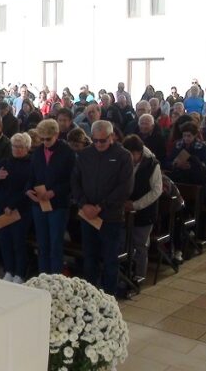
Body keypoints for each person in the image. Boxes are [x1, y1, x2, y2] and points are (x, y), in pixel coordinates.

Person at [72, 120, 134, 295]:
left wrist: (100, 206)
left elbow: (125, 187)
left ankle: (109, 298)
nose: (99, 144)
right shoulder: (85, 154)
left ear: (112, 136)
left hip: (111, 216)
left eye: (103, 140)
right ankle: (90, 295)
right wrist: (84, 204)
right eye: (96, 140)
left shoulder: (123, 156)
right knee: (89, 257)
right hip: (87, 215)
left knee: (109, 260)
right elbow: (75, 181)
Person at [26, 119, 75, 274]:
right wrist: (28, 190)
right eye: (42, 139)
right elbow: (31, 176)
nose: (45, 142)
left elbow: (72, 180)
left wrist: (54, 192)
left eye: (48, 139)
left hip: (58, 204)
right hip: (39, 203)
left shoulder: (67, 152)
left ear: (56, 134)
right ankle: (43, 277)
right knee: (42, 244)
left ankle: (55, 278)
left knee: (55, 244)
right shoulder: (38, 152)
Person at [0, 132, 32, 283]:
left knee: (18, 242)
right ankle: (8, 270)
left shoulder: (31, 165)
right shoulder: (4, 162)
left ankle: (19, 273)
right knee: (5, 241)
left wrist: (12, 205)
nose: (16, 149)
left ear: (27, 148)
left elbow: (27, 189)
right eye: (14, 146)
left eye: (20, 147)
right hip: (2, 209)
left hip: (20, 210)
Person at [122, 135, 162, 280]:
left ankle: (139, 276)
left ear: (139, 152)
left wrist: (136, 205)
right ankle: (126, 272)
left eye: (131, 154)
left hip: (145, 211)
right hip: (125, 211)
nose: (129, 157)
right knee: (124, 242)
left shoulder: (152, 165)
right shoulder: (125, 161)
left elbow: (157, 190)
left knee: (140, 244)